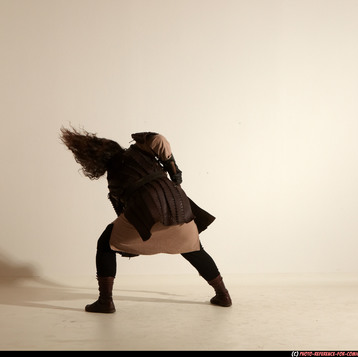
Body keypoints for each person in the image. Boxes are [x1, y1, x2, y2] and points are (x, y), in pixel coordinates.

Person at [60, 127, 231, 313]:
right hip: (181, 210)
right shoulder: (141, 150)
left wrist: (129, 245)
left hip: (149, 217)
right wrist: (171, 166)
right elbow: (159, 139)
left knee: (105, 244)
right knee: (194, 249)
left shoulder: (114, 178)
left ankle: (105, 301)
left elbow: (123, 210)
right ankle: (223, 295)